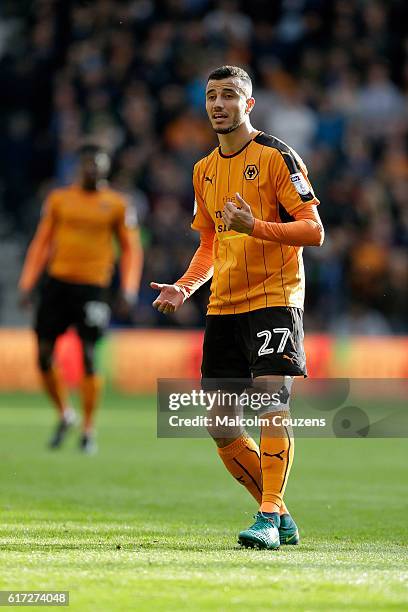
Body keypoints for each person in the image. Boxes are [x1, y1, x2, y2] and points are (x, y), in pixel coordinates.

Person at [151, 65, 324, 549]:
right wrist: (185, 288)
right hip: (224, 306)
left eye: (229, 95)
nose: (218, 104)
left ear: (248, 105)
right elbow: (209, 244)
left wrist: (258, 228)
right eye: (211, 96)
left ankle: (267, 515)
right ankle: (280, 514)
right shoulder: (202, 170)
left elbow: (315, 230)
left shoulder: (276, 156)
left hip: (275, 296)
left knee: (272, 398)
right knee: (219, 422)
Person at [19, 143, 143, 453]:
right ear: (79, 167)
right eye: (87, 164)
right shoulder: (59, 200)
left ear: (105, 169)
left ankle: (88, 428)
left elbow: (131, 250)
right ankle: (65, 413)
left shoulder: (117, 204)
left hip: (93, 288)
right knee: (44, 355)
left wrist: (128, 287)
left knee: (89, 355)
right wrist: (27, 282)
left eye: (97, 165)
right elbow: (41, 242)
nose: (92, 170)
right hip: (57, 285)